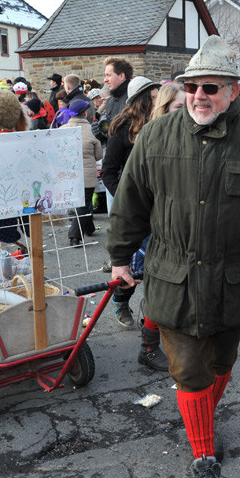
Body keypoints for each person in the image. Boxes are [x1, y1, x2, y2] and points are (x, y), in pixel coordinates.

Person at [106, 36, 240, 478]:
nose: (198, 95)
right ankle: (203, 452)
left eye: (210, 87)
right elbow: (130, 202)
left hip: (237, 278)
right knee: (188, 368)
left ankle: (200, 416)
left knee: (222, 360)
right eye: (191, 87)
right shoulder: (156, 136)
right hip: (174, 276)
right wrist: (120, 257)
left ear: (234, 90)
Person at [101, 76, 162, 327]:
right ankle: (121, 300)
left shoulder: (163, 123)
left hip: (160, 205)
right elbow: (108, 171)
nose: (160, 100)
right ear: (143, 100)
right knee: (133, 264)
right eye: (155, 97)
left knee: (159, 263)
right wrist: (126, 198)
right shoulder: (123, 128)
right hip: (134, 208)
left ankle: (155, 315)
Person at [61, 98, 102, 247]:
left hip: (68, 175)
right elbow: (99, 155)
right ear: (85, 113)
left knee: (83, 204)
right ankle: (75, 236)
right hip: (87, 175)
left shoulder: (62, 130)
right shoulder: (92, 130)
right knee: (84, 205)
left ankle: (89, 228)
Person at [92, 58, 133, 144]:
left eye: (109, 75)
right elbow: (109, 138)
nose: (105, 80)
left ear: (121, 76)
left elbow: (132, 135)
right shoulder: (111, 100)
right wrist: (100, 133)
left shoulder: (132, 98)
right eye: (105, 75)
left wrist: (111, 130)